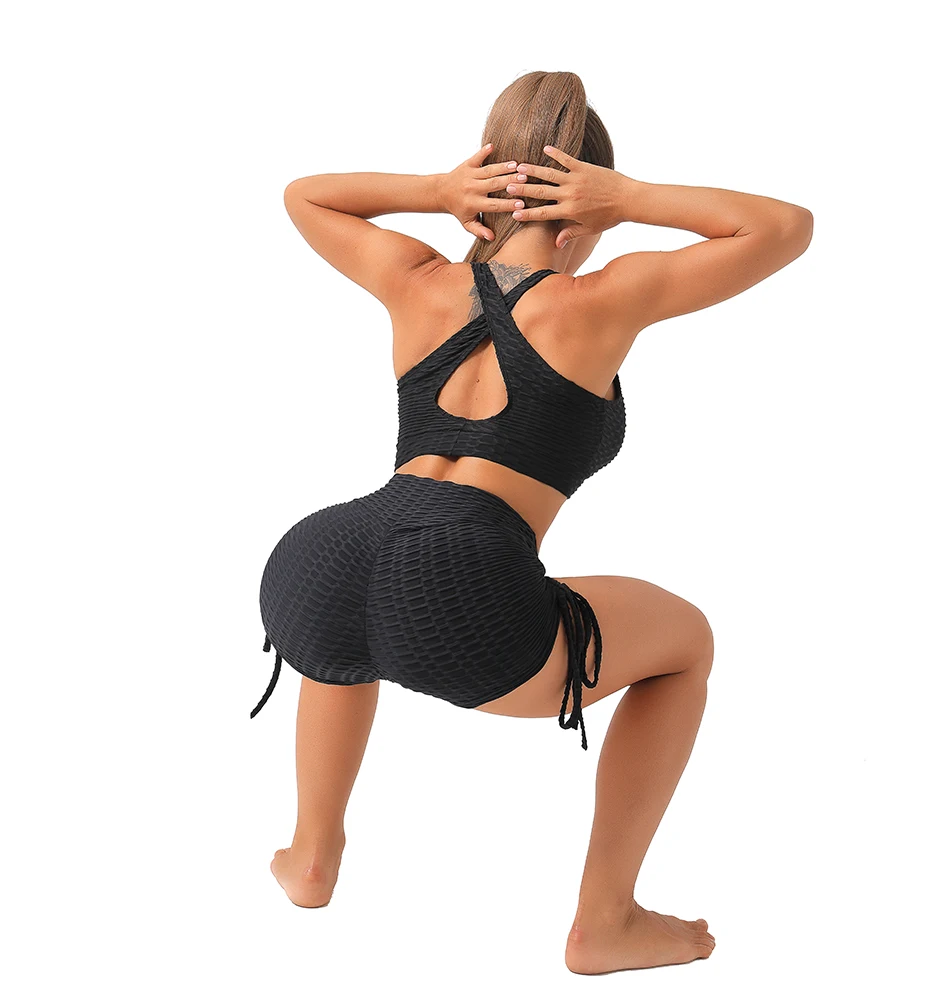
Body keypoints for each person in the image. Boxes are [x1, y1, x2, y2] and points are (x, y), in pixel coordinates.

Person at [253, 70, 812, 974]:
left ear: (486, 188)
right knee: (687, 643)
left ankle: (312, 856)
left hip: (323, 554)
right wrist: (632, 199)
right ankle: (605, 920)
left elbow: (304, 196)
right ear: (586, 208)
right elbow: (784, 227)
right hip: (454, 581)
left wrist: (434, 193)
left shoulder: (416, 277)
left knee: (351, 617)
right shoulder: (607, 297)